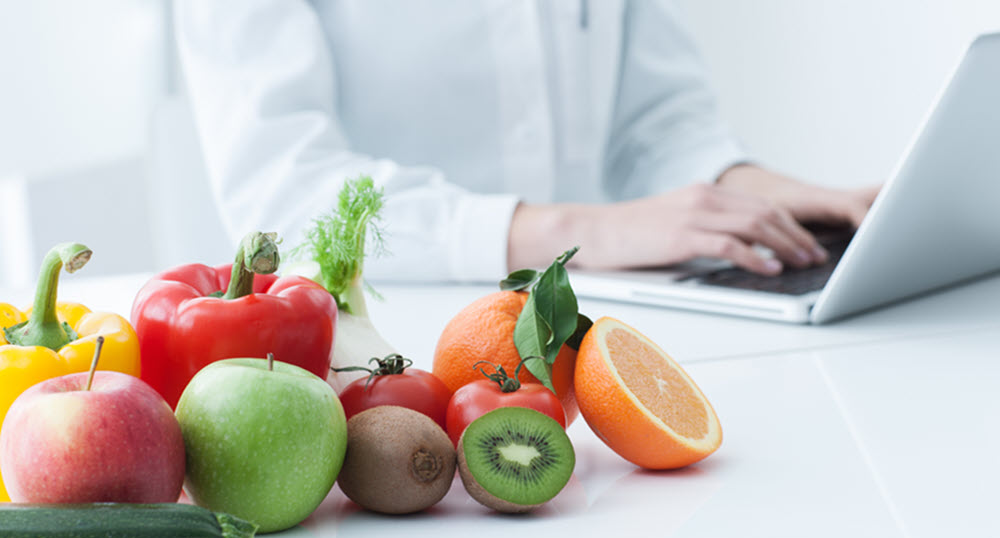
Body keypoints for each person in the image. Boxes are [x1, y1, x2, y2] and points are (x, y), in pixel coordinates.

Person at [174, 0, 877, 283]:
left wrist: (767, 195)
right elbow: (283, 200)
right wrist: (573, 231)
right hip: (382, 372)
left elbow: (659, 125)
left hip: (611, 322)